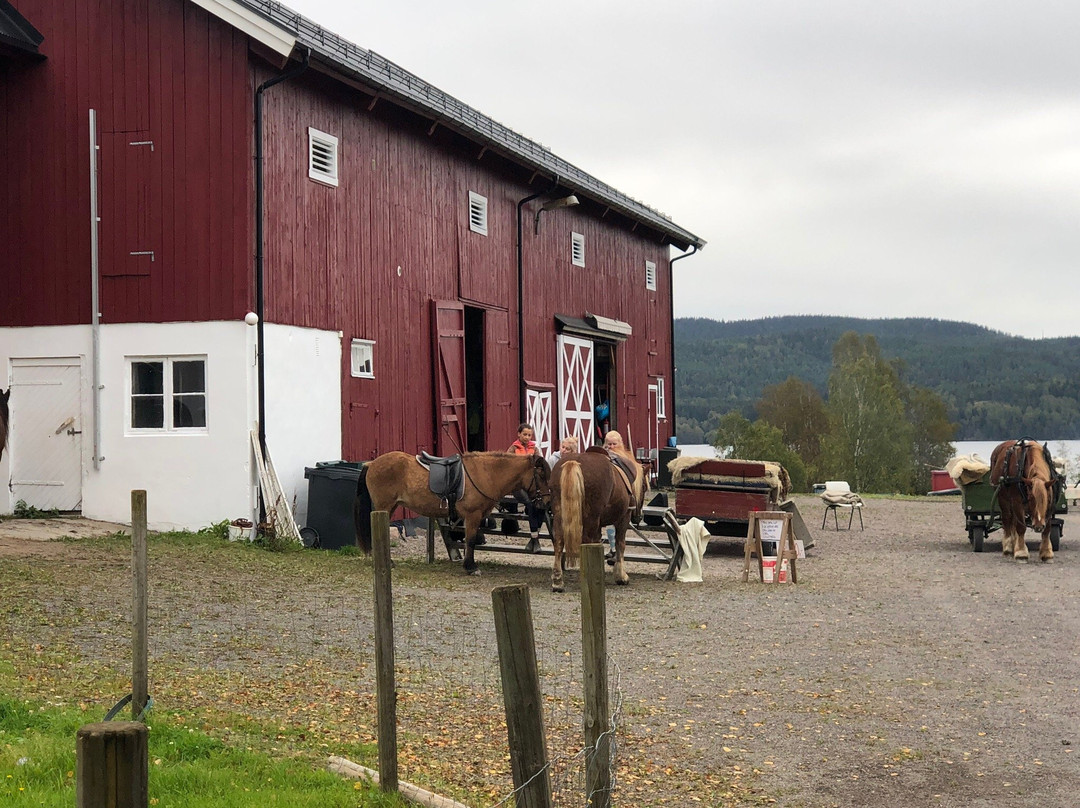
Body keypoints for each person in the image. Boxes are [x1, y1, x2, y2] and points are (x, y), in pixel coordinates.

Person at [508, 423, 544, 551]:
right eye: (524, 434)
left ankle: (534, 538)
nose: (527, 437)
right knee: (530, 504)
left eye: (529, 435)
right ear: (519, 434)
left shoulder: (534, 448)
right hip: (517, 484)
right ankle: (535, 539)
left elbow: (540, 464)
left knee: (540, 506)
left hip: (532, 483)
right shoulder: (513, 449)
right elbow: (508, 465)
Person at [602, 430, 625, 559]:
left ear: (620, 444)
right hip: (607, 497)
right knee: (609, 525)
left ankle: (616, 549)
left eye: (614, 444)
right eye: (608, 444)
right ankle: (612, 548)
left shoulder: (624, 459)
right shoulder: (603, 458)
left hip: (621, 498)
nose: (611, 447)